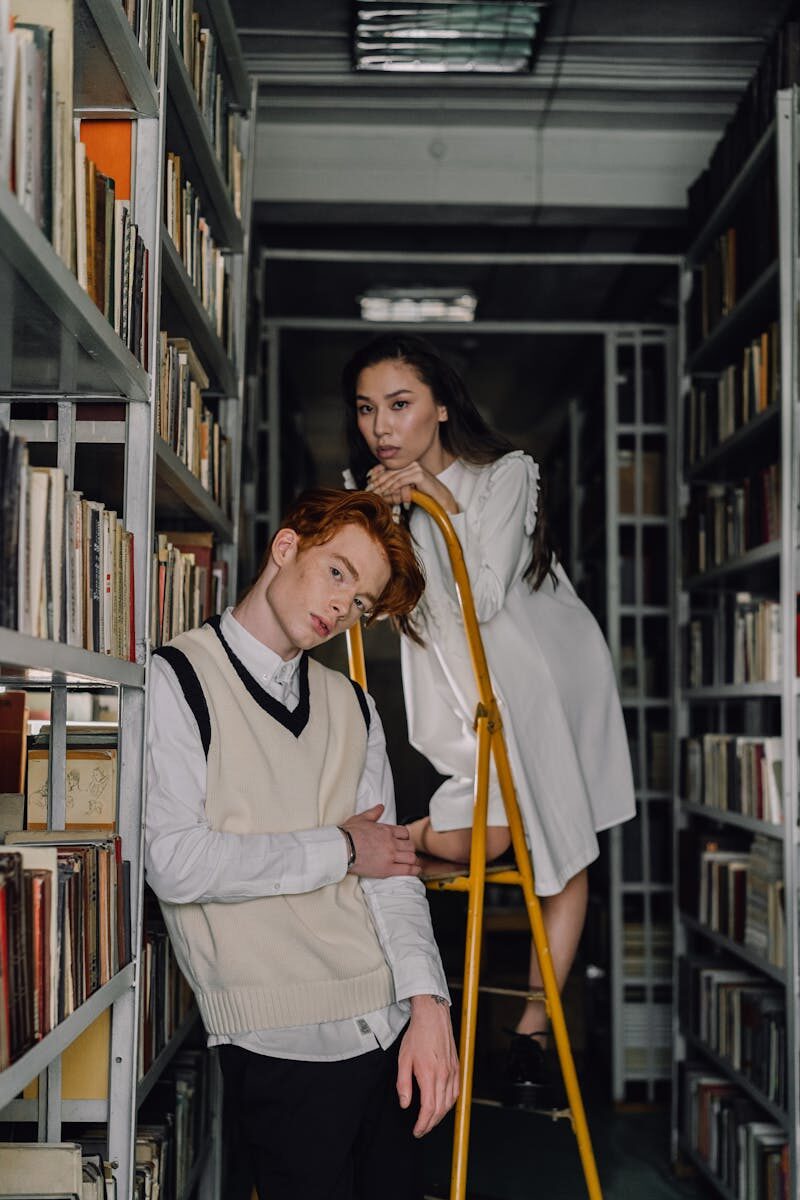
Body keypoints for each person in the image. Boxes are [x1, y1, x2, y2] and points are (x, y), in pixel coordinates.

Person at [342, 334, 636, 1106]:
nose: (383, 425)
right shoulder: (375, 494)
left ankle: (532, 1036)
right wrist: (379, 519)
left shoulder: (505, 473)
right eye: (368, 409)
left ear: (440, 407)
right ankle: (388, 847)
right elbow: (380, 601)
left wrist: (434, 504)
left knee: (567, 851)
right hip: (467, 689)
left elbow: (488, 593)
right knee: (493, 835)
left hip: (545, 677)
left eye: (400, 405)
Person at [144, 487, 459, 1200]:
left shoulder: (354, 705)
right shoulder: (178, 679)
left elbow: (393, 871)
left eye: (361, 601)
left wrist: (429, 1004)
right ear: (286, 548)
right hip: (279, 1040)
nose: (342, 607)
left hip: (390, 1024)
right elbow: (176, 863)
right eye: (338, 573)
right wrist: (340, 849)